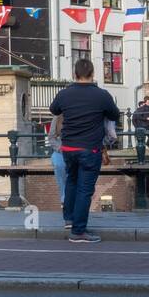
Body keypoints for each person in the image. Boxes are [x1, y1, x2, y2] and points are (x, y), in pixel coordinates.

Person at [49, 58, 120, 243]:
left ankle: (70, 219)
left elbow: (54, 109)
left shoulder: (64, 94)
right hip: (90, 149)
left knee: (71, 182)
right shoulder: (102, 95)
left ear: (75, 74)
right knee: (85, 190)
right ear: (93, 74)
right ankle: (79, 231)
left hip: (68, 149)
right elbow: (114, 115)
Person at [48, 116, 67, 207]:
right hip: (60, 151)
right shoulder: (57, 117)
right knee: (59, 165)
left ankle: (68, 198)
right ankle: (64, 197)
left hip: (76, 150)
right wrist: (59, 148)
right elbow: (51, 137)